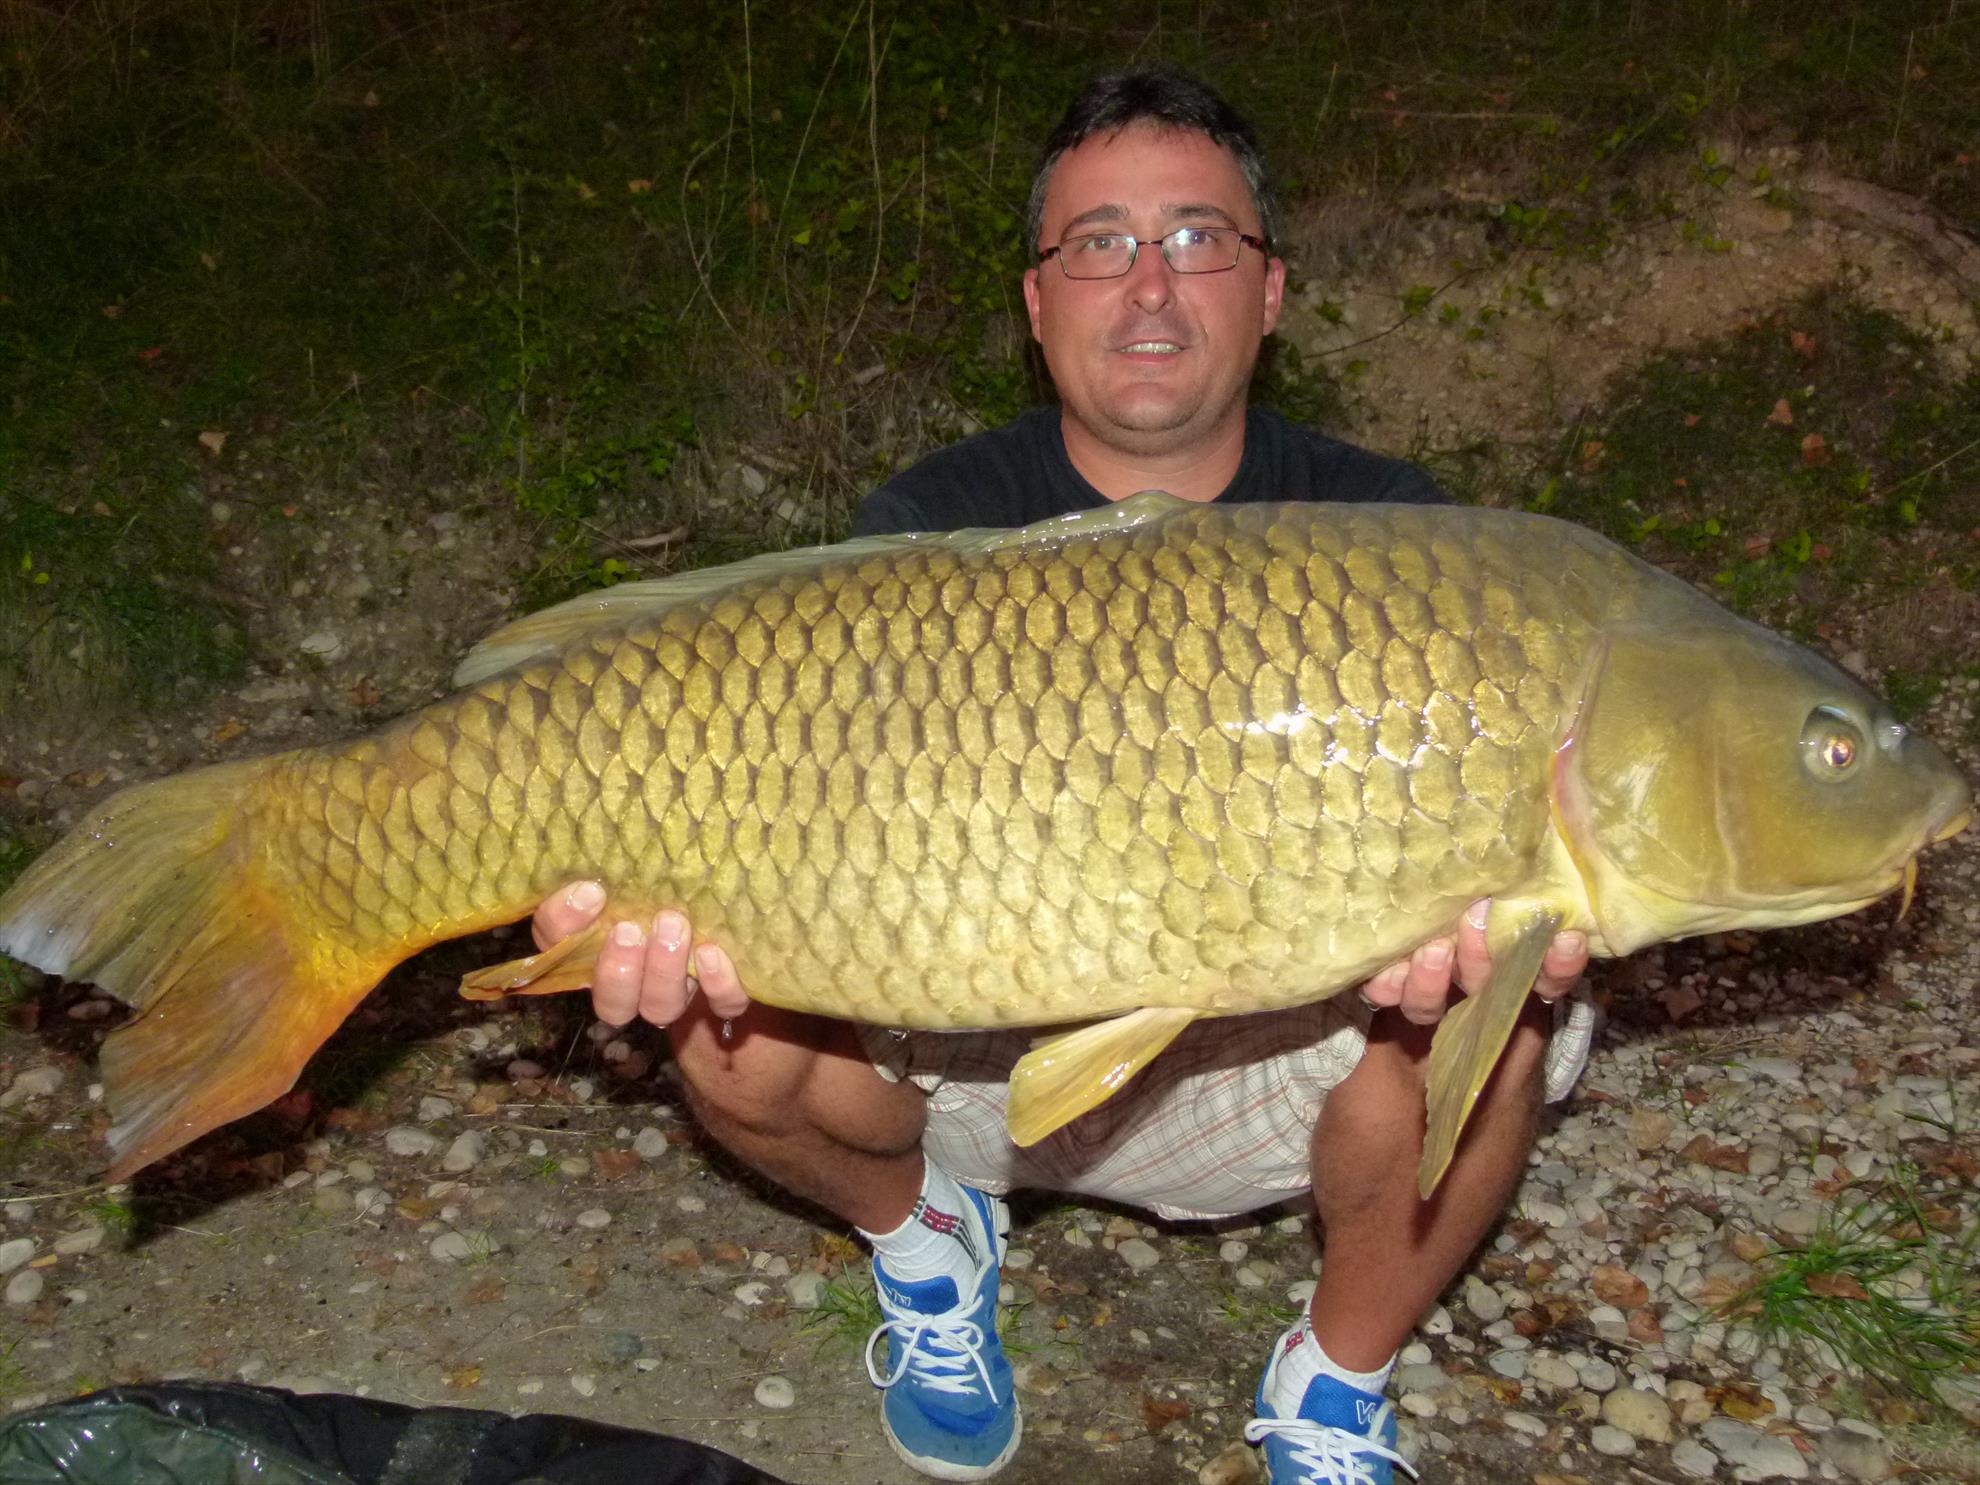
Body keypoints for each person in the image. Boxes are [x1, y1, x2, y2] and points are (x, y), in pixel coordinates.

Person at [532, 68, 1592, 1485]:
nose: (1149, 290)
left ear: (1271, 291)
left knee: (1511, 1008)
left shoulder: (1399, 537)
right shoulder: (933, 524)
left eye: (1199, 239)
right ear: (1038, 304)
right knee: (727, 1023)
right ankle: (926, 1237)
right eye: (1100, 244)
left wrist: (1489, 931)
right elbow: (812, 843)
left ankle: (1336, 1379)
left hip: (1272, 1042)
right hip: (980, 1041)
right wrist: (646, 911)